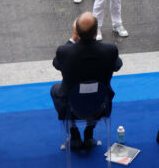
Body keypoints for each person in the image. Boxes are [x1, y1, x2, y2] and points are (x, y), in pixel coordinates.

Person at [51, 13, 122, 150]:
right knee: (94, 93)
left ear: (76, 31)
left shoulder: (65, 52)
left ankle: (74, 133)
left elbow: (56, 63)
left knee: (55, 89)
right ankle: (89, 131)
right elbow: (117, 66)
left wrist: (72, 39)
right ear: (96, 31)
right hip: (100, 105)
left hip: (71, 108)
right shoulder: (110, 50)